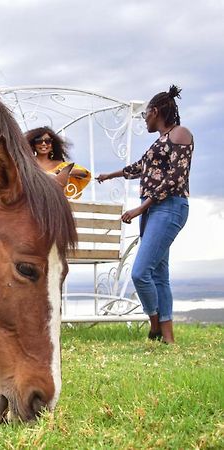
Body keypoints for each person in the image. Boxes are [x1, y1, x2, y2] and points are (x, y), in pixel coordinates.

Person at [96, 85, 193, 344]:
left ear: (155, 111)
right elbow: (139, 167)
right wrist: (110, 175)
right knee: (160, 275)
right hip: (153, 208)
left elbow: (175, 178)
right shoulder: (158, 142)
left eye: (144, 115)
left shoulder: (180, 134)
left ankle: (154, 325)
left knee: (140, 272)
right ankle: (168, 339)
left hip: (169, 206)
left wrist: (141, 207)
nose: (144, 119)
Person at [26, 126, 91, 199]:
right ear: (33, 145)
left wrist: (63, 173)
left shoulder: (61, 165)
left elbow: (84, 173)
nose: (44, 144)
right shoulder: (26, 164)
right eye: (39, 141)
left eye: (47, 141)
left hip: (56, 204)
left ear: (52, 145)